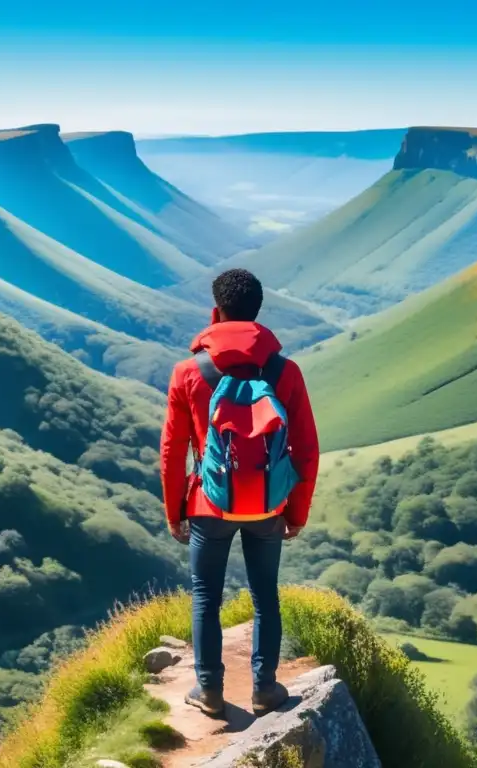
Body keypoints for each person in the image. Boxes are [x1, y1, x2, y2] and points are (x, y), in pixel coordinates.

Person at [160, 268, 319, 719]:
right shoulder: (285, 372)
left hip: (208, 505)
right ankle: (265, 689)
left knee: (206, 596)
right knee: (265, 595)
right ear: (258, 315)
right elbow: (306, 449)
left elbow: (173, 451)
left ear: (216, 313)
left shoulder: (187, 373)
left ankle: (208, 691)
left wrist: (175, 511)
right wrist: (297, 512)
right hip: (269, 503)